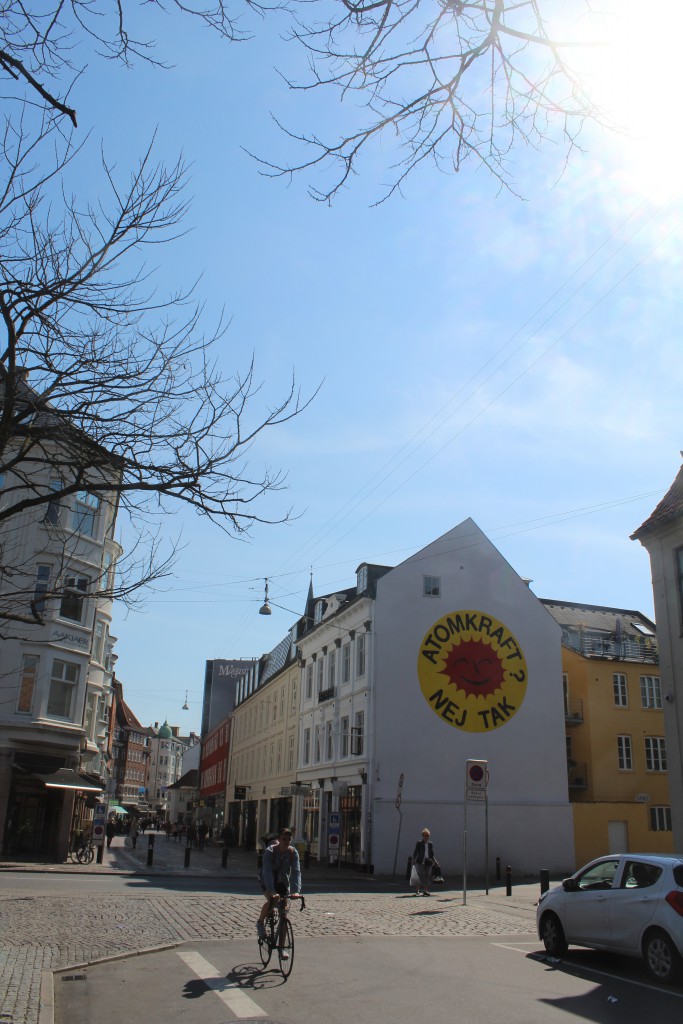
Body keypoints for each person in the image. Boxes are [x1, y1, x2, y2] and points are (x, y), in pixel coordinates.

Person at [256, 828, 302, 959]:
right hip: (267, 880)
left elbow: (296, 872)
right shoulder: (270, 852)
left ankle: (281, 949)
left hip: (282, 882)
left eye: (289, 840)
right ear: (279, 839)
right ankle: (260, 922)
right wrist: (271, 891)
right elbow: (267, 871)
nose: (286, 842)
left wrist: (296, 891)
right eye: (284, 839)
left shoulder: (293, 853)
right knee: (272, 900)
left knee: (284, 914)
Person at [411, 827, 436, 896]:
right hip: (421, 861)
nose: (427, 837)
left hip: (428, 862)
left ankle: (425, 891)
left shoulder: (430, 844)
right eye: (426, 835)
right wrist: (414, 859)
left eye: (428, 835)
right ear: (423, 835)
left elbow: (432, 854)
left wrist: (435, 862)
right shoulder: (419, 843)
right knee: (421, 876)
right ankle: (417, 891)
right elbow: (415, 852)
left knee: (427, 876)